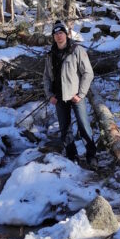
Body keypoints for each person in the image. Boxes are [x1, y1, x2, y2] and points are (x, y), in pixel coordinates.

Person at [43, 20, 97, 165]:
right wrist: (50, 95)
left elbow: (88, 73)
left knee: (83, 125)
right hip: (59, 97)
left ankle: (92, 156)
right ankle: (72, 156)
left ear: (66, 34)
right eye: (56, 34)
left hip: (75, 96)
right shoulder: (50, 55)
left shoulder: (76, 50)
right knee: (65, 129)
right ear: (53, 37)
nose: (59, 36)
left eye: (61, 33)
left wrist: (81, 94)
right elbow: (47, 77)